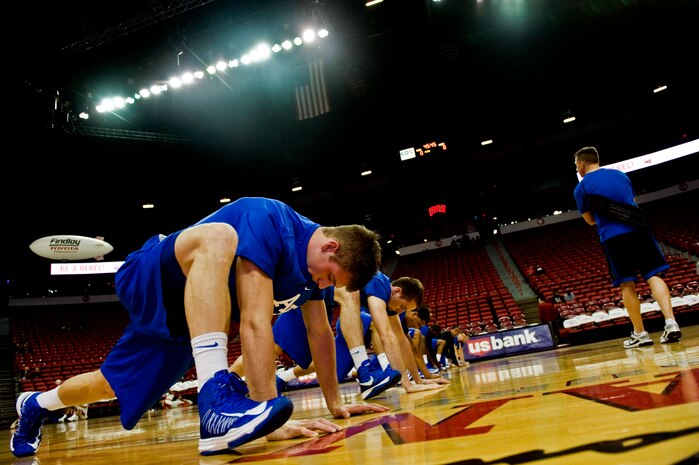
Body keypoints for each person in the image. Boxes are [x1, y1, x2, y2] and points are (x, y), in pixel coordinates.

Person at [11, 197, 383, 458]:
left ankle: (35, 405)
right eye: (330, 276)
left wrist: (336, 404)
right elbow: (255, 323)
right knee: (220, 236)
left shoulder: (308, 276)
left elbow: (320, 334)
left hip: (188, 316)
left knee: (109, 385)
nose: (325, 286)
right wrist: (271, 415)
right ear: (329, 246)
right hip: (154, 274)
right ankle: (215, 403)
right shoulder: (270, 217)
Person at [573, 147, 681, 348]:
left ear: (581, 164)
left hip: (613, 237)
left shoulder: (581, 188)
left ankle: (640, 333)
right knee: (654, 275)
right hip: (639, 230)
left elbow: (589, 220)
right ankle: (671, 322)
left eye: (575, 165)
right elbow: (632, 202)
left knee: (627, 285)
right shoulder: (621, 176)